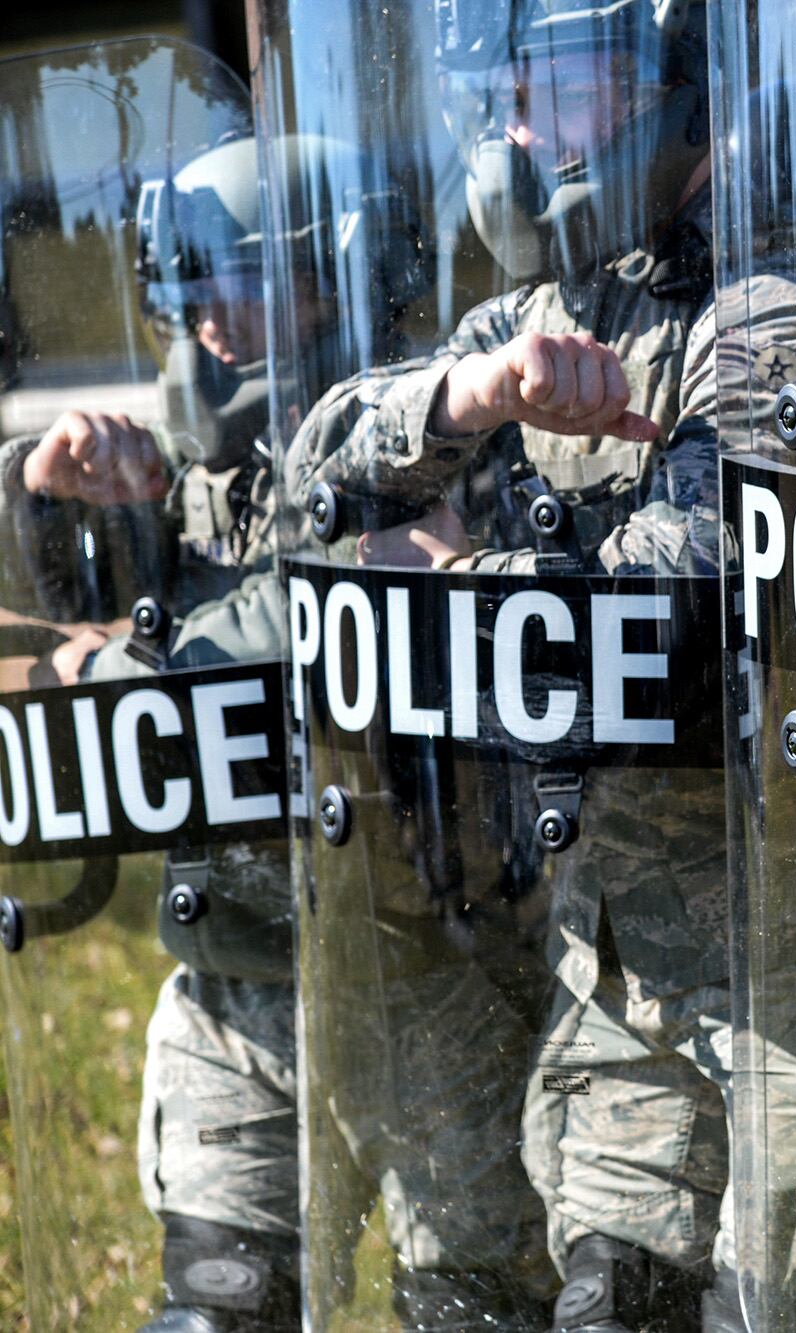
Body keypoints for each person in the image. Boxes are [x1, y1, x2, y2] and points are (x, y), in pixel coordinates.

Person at [282, 3, 796, 1327]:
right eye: (508, 97)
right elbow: (309, 484)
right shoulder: (542, 313)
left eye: (566, 89)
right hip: (623, 968)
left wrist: (454, 582)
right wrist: (470, 401)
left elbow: (678, 596)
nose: (523, 132)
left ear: (679, 86)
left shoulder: (780, 306)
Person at [0, 130, 415, 1333]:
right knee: (215, 1311)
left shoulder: (430, 439)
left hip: (430, 974)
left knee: (476, 1301)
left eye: (228, 278)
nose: (200, 320)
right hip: (242, 980)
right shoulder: (209, 471)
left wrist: (103, 663)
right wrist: (57, 499)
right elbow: (79, 601)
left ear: (333, 273)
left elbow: (298, 615)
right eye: (177, 285)